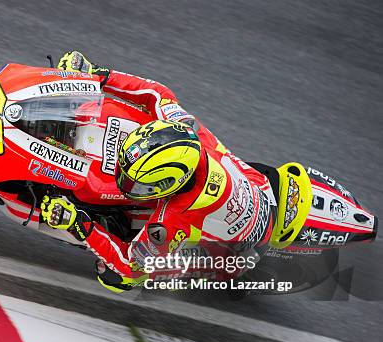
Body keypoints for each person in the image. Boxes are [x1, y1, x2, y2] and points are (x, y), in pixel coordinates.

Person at [41, 51, 277, 292]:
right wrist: (97, 75)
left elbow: (131, 267)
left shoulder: (172, 221)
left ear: (171, 186)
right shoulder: (187, 130)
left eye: (137, 184)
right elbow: (158, 94)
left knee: (116, 278)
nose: (125, 182)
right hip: (262, 188)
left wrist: (78, 223)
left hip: (232, 252)